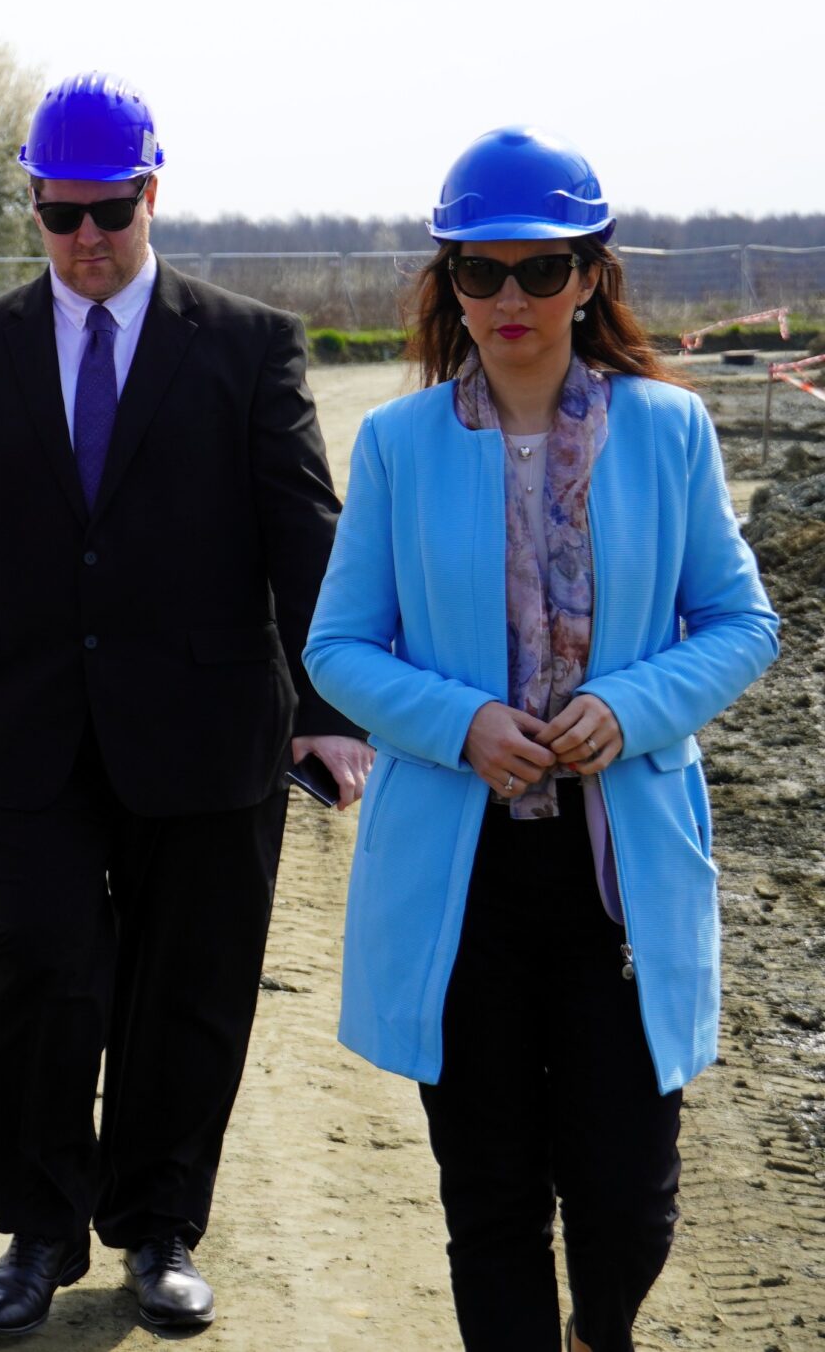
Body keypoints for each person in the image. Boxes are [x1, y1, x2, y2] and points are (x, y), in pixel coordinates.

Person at [306, 127, 778, 1352]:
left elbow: (742, 624)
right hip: (459, 882)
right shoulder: (398, 445)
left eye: (540, 268)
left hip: (618, 875)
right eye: (480, 270)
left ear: (589, 276)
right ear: (449, 283)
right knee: (491, 1198)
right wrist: (459, 724)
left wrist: (631, 706)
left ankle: (594, 1330)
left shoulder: (669, 431)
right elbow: (336, 649)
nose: (508, 297)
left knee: (625, 1201)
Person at [0, 72, 373, 1337]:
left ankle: (159, 1228)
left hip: (207, 729)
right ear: (32, 203)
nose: (86, 239)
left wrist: (329, 706)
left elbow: (304, 529)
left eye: (109, 211)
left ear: (151, 192)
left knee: (190, 983)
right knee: (41, 974)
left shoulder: (245, 344)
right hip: (22, 734)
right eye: (60, 214)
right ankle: (37, 1232)